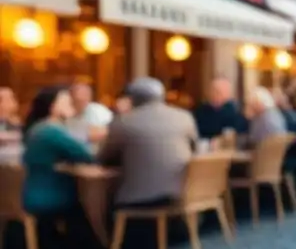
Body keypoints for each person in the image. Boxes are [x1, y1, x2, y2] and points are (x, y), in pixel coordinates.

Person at [98, 78, 198, 208]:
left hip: (136, 200)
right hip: (180, 195)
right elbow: (194, 150)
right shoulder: (185, 117)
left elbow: (104, 157)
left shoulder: (122, 122)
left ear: (132, 99)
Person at [20, 86, 95, 217]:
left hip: (35, 194)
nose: (72, 104)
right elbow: (86, 156)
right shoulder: (52, 131)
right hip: (52, 196)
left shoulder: (38, 128)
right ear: (53, 106)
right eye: (66, 101)